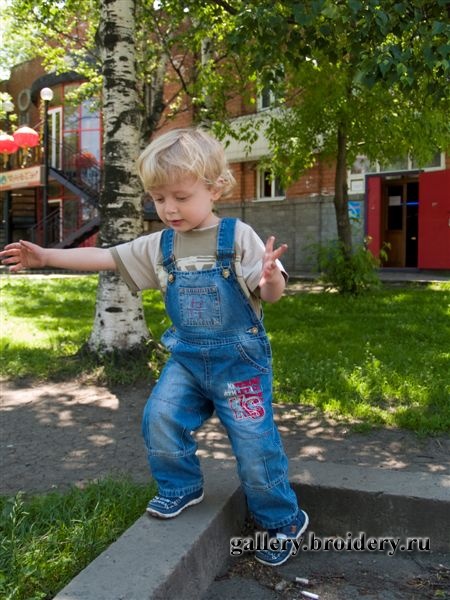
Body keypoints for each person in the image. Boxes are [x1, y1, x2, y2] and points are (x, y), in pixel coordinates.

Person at [0, 127, 308, 567]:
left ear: (215, 187)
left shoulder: (238, 236)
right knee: (160, 418)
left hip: (239, 365)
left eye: (180, 196)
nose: (169, 208)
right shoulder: (160, 244)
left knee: (255, 447)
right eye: (158, 198)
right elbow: (106, 256)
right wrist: (47, 256)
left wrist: (271, 277)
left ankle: (282, 520)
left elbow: (271, 295)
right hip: (186, 361)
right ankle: (181, 486)